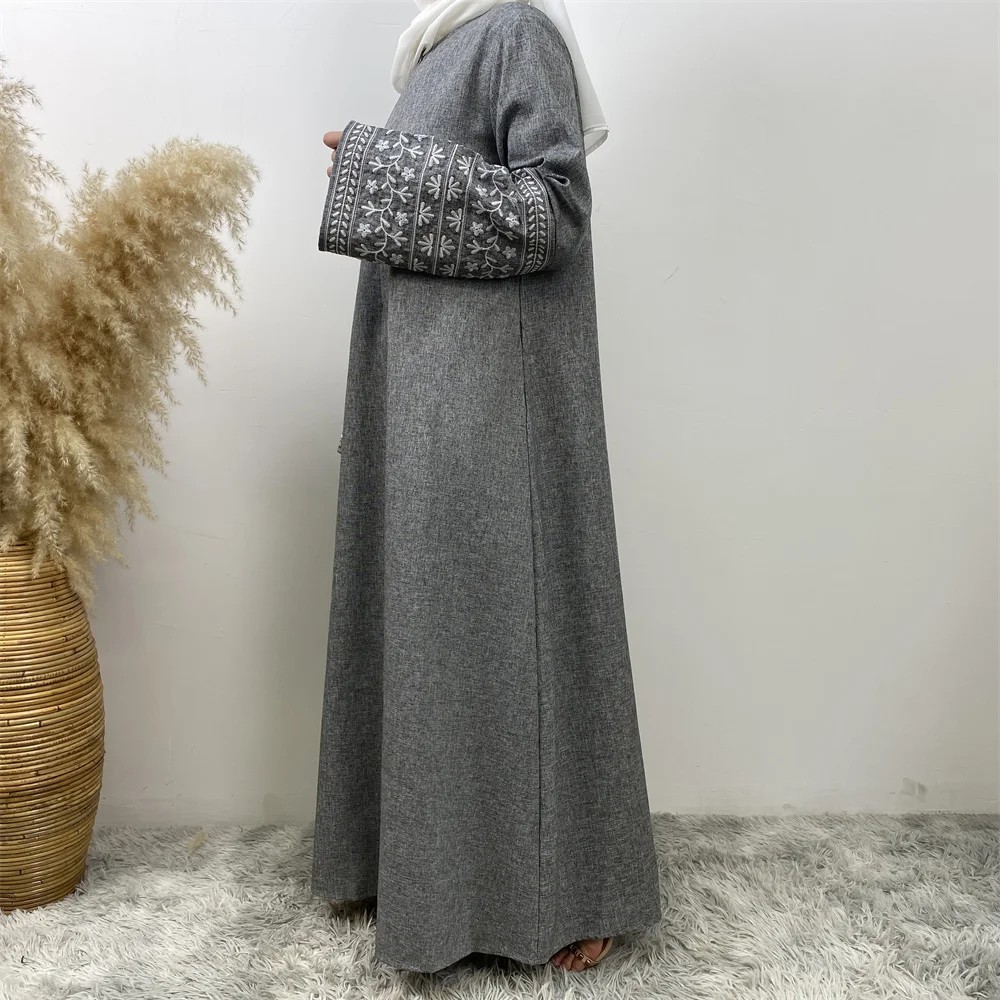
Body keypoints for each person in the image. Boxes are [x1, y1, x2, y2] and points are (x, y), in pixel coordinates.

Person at [311, 0, 661, 975]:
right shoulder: (437, 45)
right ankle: (422, 876)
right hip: (426, 399)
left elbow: (555, 209)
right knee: (440, 650)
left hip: (487, 408)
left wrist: (378, 173)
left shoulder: (514, 28)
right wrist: (380, 171)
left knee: (507, 648)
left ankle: (566, 893)